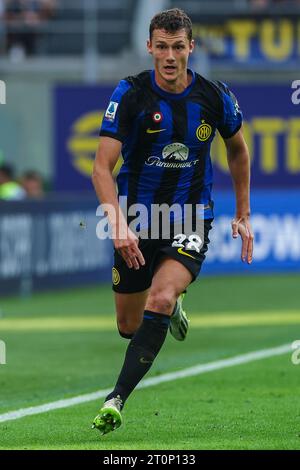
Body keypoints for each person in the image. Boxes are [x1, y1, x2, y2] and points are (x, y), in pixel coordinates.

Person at [92, 8, 254, 436]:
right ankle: (173, 305)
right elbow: (101, 168)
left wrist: (243, 213)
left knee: (158, 300)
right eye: (161, 46)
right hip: (138, 220)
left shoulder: (214, 95)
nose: (169, 55)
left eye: (177, 46)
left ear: (190, 48)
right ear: (149, 47)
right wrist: (117, 223)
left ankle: (115, 399)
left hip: (190, 217)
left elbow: (238, 150)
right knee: (130, 326)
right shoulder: (130, 94)